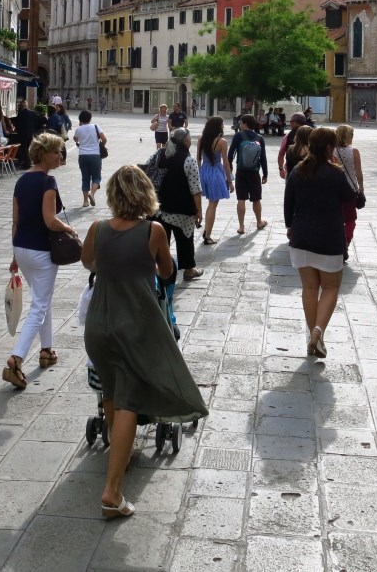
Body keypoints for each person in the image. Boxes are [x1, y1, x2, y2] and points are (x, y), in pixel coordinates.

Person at [81, 165, 208, 519]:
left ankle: (119, 457)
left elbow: (88, 262)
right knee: (128, 401)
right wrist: (146, 267)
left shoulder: (97, 228)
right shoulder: (153, 231)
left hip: (99, 325)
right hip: (134, 324)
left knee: (110, 391)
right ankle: (112, 491)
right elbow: (167, 270)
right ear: (145, 193)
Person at [3, 133, 76, 389]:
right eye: (56, 151)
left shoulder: (21, 180)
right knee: (40, 305)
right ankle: (16, 358)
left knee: (43, 299)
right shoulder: (48, 181)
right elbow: (50, 220)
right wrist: (69, 229)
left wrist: (15, 255)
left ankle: (47, 349)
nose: (60, 156)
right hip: (41, 251)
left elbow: (16, 221)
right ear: (43, 154)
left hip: (22, 247)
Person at [284, 127, 356, 357]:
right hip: (329, 238)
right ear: (329, 148)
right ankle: (318, 332)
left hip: (301, 236)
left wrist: (289, 226)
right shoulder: (335, 173)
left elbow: (288, 203)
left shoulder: (298, 170)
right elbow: (351, 197)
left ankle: (314, 337)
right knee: (331, 288)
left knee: (309, 288)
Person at [154, 127, 204, 283]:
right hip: (181, 209)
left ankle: (162, 270)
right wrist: (198, 211)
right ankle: (189, 270)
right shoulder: (189, 160)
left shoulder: (159, 154)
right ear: (187, 141)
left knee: (161, 241)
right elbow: (195, 189)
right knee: (185, 239)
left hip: (159, 207)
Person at [228, 114, 268, 234]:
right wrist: (265, 173)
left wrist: (230, 168)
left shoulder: (238, 136)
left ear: (245, 124)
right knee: (256, 199)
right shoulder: (259, 138)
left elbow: (230, 154)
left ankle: (241, 227)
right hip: (254, 172)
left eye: (241, 123)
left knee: (241, 199)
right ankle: (259, 222)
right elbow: (263, 158)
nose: (240, 125)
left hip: (241, 171)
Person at [196, 116, 231, 245]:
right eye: (222, 124)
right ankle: (207, 235)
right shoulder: (222, 142)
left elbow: (198, 159)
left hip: (204, 171)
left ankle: (206, 231)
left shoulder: (201, 139)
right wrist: (230, 181)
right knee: (213, 204)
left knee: (211, 203)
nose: (223, 126)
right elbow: (226, 163)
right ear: (218, 126)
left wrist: (199, 174)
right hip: (216, 172)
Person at [334, 124, 365, 252]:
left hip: (333, 189)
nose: (353, 137)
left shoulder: (330, 150)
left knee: (335, 217)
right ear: (348, 136)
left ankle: (335, 241)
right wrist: (361, 189)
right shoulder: (354, 151)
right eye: (352, 134)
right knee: (350, 219)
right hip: (350, 189)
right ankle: (346, 242)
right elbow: (358, 173)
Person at [73, 110, 107, 207]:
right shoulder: (96, 127)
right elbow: (104, 139)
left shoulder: (79, 129)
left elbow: (75, 139)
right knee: (96, 177)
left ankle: (85, 202)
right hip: (95, 155)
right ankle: (92, 194)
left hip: (82, 155)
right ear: (90, 118)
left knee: (85, 178)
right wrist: (100, 145)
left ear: (80, 119)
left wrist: (80, 142)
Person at [14, 99, 41, 169]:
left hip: (23, 134)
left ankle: (27, 163)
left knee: (24, 148)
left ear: (21, 106)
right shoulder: (32, 113)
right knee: (28, 148)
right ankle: (28, 162)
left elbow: (18, 123)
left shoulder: (21, 113)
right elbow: (37, 123)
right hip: (30, 133)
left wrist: (16, 130)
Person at [277, 112, 306, 178]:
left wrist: (281, 169)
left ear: (295, 122)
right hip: (309, 170)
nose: (290, 123)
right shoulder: (311, 134)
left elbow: (281, 154)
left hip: (291, 170)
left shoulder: (287, 136)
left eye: (291, 121)